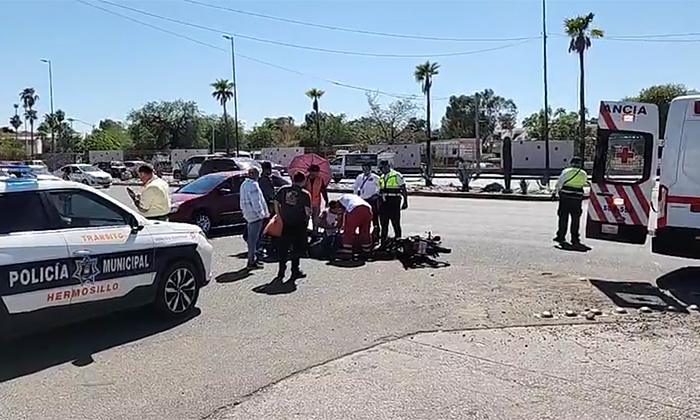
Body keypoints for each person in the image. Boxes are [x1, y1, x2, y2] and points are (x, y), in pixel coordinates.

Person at [274, 171, 312, 282]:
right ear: (303, 181)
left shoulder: (283, 189)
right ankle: (295, 271)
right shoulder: (305, 194)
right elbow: (307, 211)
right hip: (298, 224)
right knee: (296, 249)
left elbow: (276, 201)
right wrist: (307, 221)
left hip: (285, 223)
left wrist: (278, 215)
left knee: (283, 249)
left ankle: (281, 271)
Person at [554, 156, 589, 247]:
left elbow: (559, 183)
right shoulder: (584, 173)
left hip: (565, 198)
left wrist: (556, 192)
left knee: (563, 218)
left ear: (571, 163)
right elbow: (584, 183)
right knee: (575, 220)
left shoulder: (566, 171)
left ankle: (561, 237)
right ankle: (575, 238)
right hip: (577, 200)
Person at [240, 167, 269, 270]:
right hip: (255, 216)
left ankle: (253, 259)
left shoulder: (244, 185)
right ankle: (251, 261)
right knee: (254, 240)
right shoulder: (254, 186)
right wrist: (262, 214)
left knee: (252, 239)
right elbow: (256, 202)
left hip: (248, 215)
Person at [377, 160, 408, 243]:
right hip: (384, 202)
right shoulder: (382, 177)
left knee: (395, 222)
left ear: (387, 166)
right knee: (384, 223)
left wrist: (405, 201)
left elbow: (403, 189)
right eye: (380, 168)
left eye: (382, 168)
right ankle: (383, 242)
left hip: (394, 201)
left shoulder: (396, 175)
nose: (381, 170)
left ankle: (398, 241)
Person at [353, 163, 381, 239]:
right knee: (362, 218)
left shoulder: (375, 177)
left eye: (366, 168)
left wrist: (376, 195)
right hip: (362, 200)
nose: (365, 170)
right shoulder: (359, 177)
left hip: (372, 200)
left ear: (370, 168)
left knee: (374, 218)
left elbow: (380, 187)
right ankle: (362, 234)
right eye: (363, 168)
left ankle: (376, 235)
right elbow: (355, 188)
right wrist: (356, 197)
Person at [304, 164, 329, 234]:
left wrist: (326, 201)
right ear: (310, 171)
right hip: (306, 203)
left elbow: (323, 191)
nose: (316, 173)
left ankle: (315, 233)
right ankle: (304, 234)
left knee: (315, 220)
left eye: (317, 171)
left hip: (316, 203)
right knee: (305, 219)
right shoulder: (305, 179)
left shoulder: (320, 180)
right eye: (314, 171)